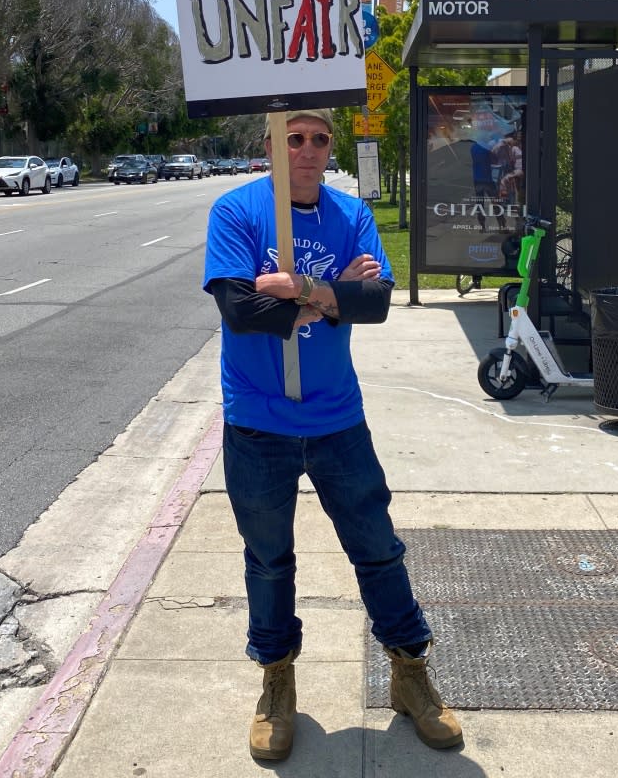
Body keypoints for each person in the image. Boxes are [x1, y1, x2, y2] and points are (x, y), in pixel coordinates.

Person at [203, 107, 462, 762]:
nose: (310, 149)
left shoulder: (351, 215)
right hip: (257, 422)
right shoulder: (235, 212)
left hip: (335, 419)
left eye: (320, 139)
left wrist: (301, 286)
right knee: (268, 560)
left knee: (377, 548)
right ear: (270, 145)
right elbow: (240, 312)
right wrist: (334, 293)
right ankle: (277, 682)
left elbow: (376, 305)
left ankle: (410, 675)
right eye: (295, 138)